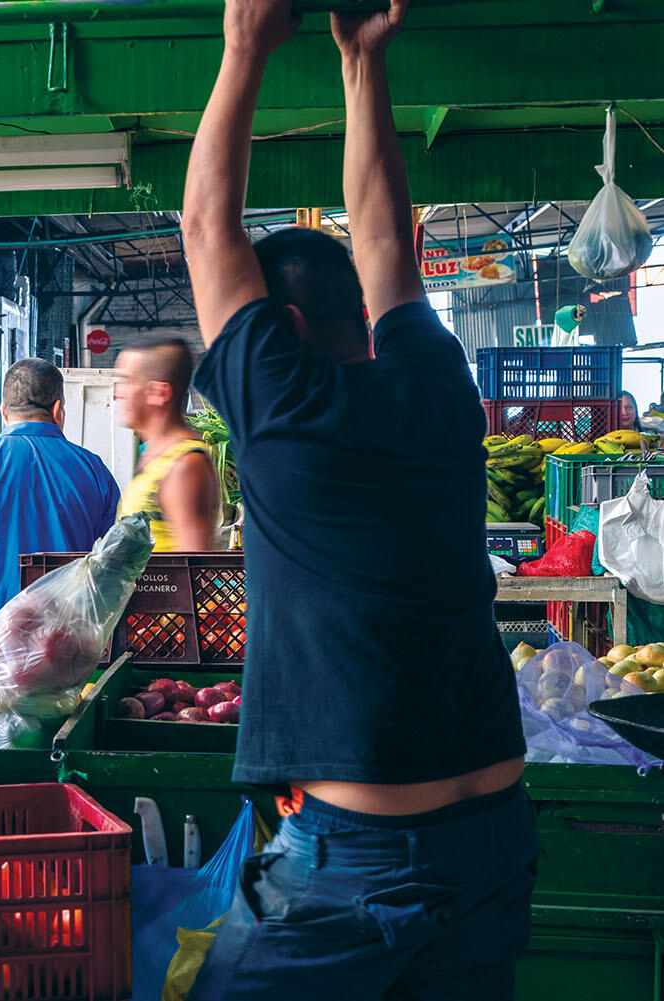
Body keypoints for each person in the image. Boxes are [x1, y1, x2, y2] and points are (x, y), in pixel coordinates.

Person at [179, 1, 535, 997]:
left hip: (365, 856)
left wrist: (245, 44)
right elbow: (385, 239)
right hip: (494, 828)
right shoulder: (431, 380)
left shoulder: (282, 407)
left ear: (281, 322)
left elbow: (211, 226)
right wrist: (359, 61)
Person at [0, 358, 120, 612]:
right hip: (67, 631)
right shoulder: (94, 469)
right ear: (57, 410)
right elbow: (103, 558)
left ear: (3, 412)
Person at [113, 337, 220, 551]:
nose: (117, 392)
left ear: (159, 392)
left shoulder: (185, 466)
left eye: (127, 381)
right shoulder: (156, 455)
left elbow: (195, 568)